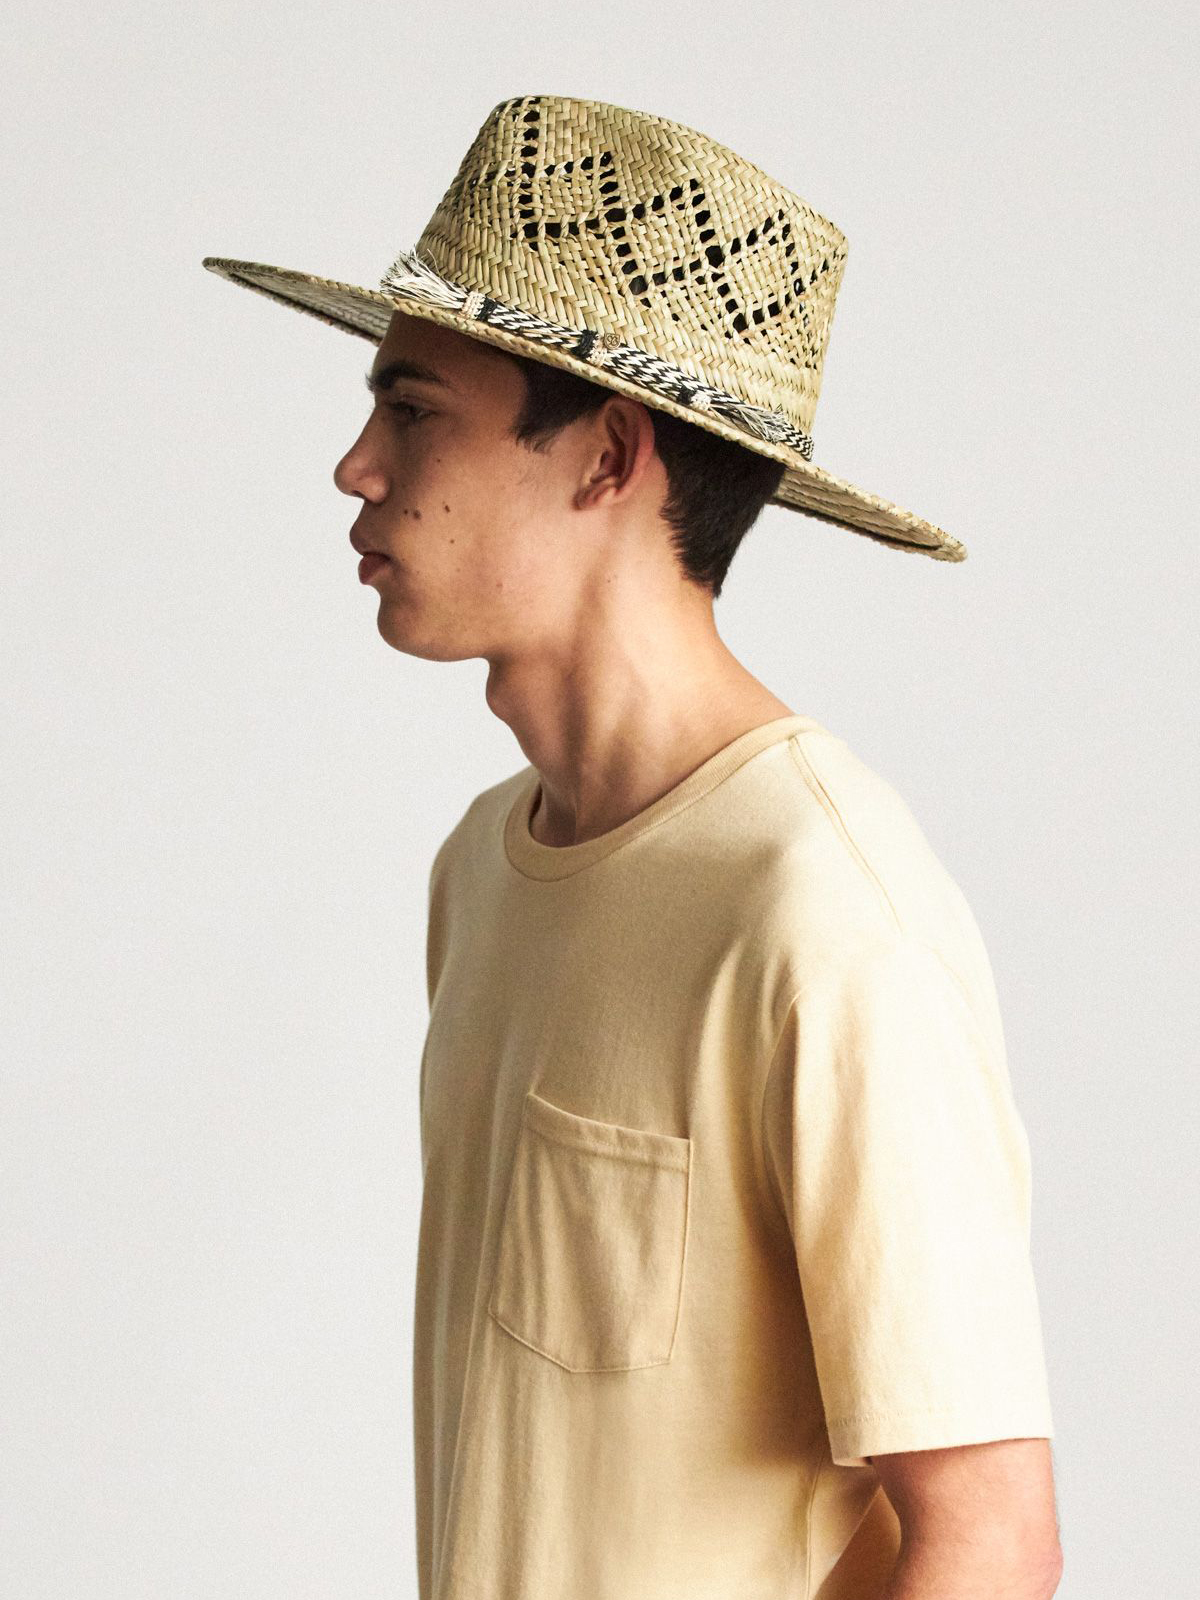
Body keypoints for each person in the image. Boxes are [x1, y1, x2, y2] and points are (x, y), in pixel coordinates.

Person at [205, 93, 1061, 1600]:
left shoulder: (828, 916)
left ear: (607, 456)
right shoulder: (484, 868)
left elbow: (988, 1539)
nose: (356, 466)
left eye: (413, 409)